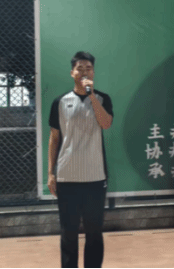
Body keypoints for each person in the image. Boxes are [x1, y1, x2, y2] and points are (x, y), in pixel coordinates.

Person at [47, 51, 113, 268]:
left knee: (94, 232)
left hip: (95, 177)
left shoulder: (102, 99)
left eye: (88, 68)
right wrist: (51, 173)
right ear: (72, 73)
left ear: (93, 72)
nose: (84, 72)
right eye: (80, 68)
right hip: (67, 178)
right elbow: (54, 138)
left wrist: (91, 96)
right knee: (68, 232)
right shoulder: (60, 102)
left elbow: (106, 124)